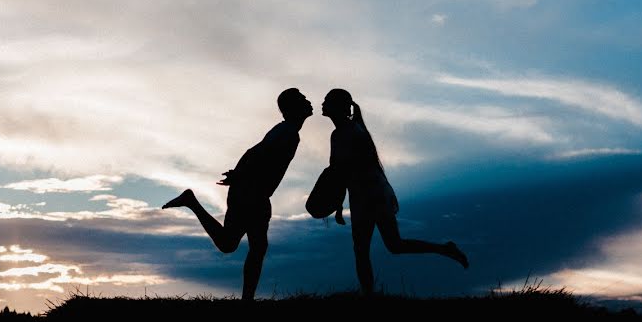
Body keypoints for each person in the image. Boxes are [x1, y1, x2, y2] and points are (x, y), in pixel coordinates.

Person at [162, 88, 313, 299]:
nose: (308, 101)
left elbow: (255, 152)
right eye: (302, 99)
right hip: (249, 191)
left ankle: (247, 299)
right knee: (239, 245)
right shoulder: (287, 132)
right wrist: (239, 175)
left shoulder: (287, 131)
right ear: (293, 107)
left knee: (246, 246)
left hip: (253, 191)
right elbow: (257, 154)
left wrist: (239, 175)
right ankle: (191, 202)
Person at [321, 88, 469, 295]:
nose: (322, 103)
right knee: (393, 245)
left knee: (365, 250)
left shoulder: (343, 133)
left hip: (368, 195)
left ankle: (368, 295)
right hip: (373, 193)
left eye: (327, 100)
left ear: (338, 106)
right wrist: (339, 205)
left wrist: (337, 204)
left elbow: (340, 171)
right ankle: (445, 249)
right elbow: (344, 171)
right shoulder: (353, 130)